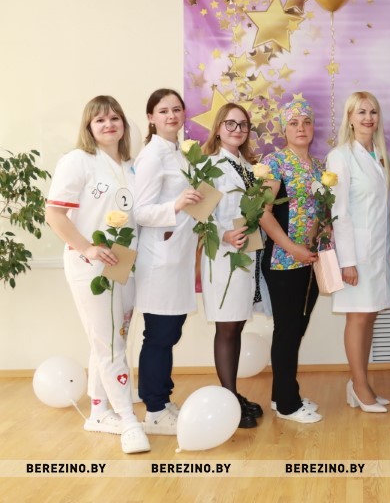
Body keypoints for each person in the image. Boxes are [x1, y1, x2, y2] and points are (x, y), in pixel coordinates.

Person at [45, 95, 151, 454]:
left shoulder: (131, 166)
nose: (109, 124)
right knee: (110, 344)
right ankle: (128, 420)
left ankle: (99, 411)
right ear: (89, 127)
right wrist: (87, 248)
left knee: (110, 339)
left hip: (124, 264)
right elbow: (54, 214)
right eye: (100, 120)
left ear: (123, 123)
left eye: (114, 118)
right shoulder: (78, 161)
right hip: (91, 267)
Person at [328, 92, 390, 414]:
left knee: (370, 315)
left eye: (373, 112)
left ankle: (360, 383)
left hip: (380, 250)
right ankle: (359, 386)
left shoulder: (382, 155)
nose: (368, 118)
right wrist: (347, 262)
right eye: (361, 112)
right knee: (357, 317)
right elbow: (339, 212)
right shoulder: (340, 157)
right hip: (357, 253)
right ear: (349, 118)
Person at [133, 88, 201, 435]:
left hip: (178, 256)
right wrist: (176, 205)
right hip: (159, 259)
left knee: (170, 332)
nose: (171, 116)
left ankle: (163, 398)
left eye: (176, 109)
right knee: (159, 335)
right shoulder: (152, 156)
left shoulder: (180, 152)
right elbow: (140, 211)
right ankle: (154, 410)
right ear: (151, 118)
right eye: (163, 111)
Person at [199, 102, 268, 428]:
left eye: (243, 124)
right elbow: (199, 216)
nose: (237, 129)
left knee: (237, 324)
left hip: (247, 256)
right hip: (223, 257)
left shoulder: (248, 166)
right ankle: (228, 399)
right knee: (227, 327)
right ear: (217, 128)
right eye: (230, 123)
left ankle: (232, 394)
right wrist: (224, 234)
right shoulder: (209, 165)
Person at [258, 100, 324, 424]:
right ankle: (288, 404)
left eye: (306, 122)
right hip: (283, 260)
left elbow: (320, 210)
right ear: (284, 129)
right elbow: (263, 213)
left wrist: (318, 238)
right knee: (287, 330)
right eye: (294, 123)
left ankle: (280, 394)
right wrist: (292, 247)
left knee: (297, 328)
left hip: (309, 261)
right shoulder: (274, 163)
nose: (301, 128)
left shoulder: (319, 167)